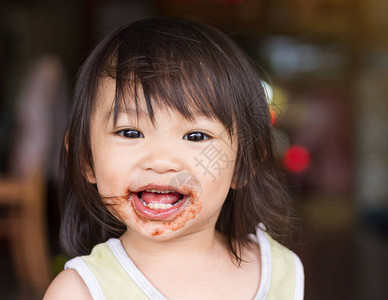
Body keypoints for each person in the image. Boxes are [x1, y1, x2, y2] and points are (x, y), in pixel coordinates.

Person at [44, 17, 304, 300]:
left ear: (243, 164)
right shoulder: (79, 291)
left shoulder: (280, 273)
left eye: (196, 136)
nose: (160, 161)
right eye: (130, 132)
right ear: (86, 159)